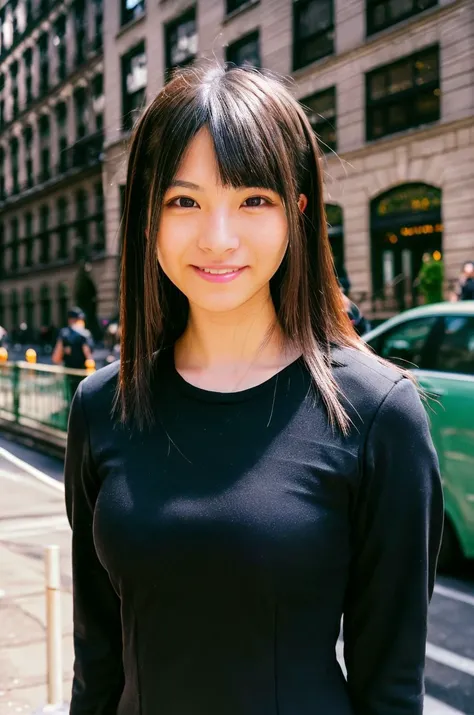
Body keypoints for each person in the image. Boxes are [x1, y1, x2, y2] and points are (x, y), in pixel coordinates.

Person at [64, 64, 443, 715]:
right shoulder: (102, 407)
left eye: (253, 200)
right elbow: (96, 663)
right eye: (184, 201)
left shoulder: (379, 415)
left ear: (298, 212)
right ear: (147, 215)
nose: (218, 238)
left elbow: (392, 689)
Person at [52, 307, 93, 397]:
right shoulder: (85, 334)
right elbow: (88, 355)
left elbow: (56, 358)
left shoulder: (64, 333)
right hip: (84, 374)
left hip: (69, 374)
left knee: (70, 398)